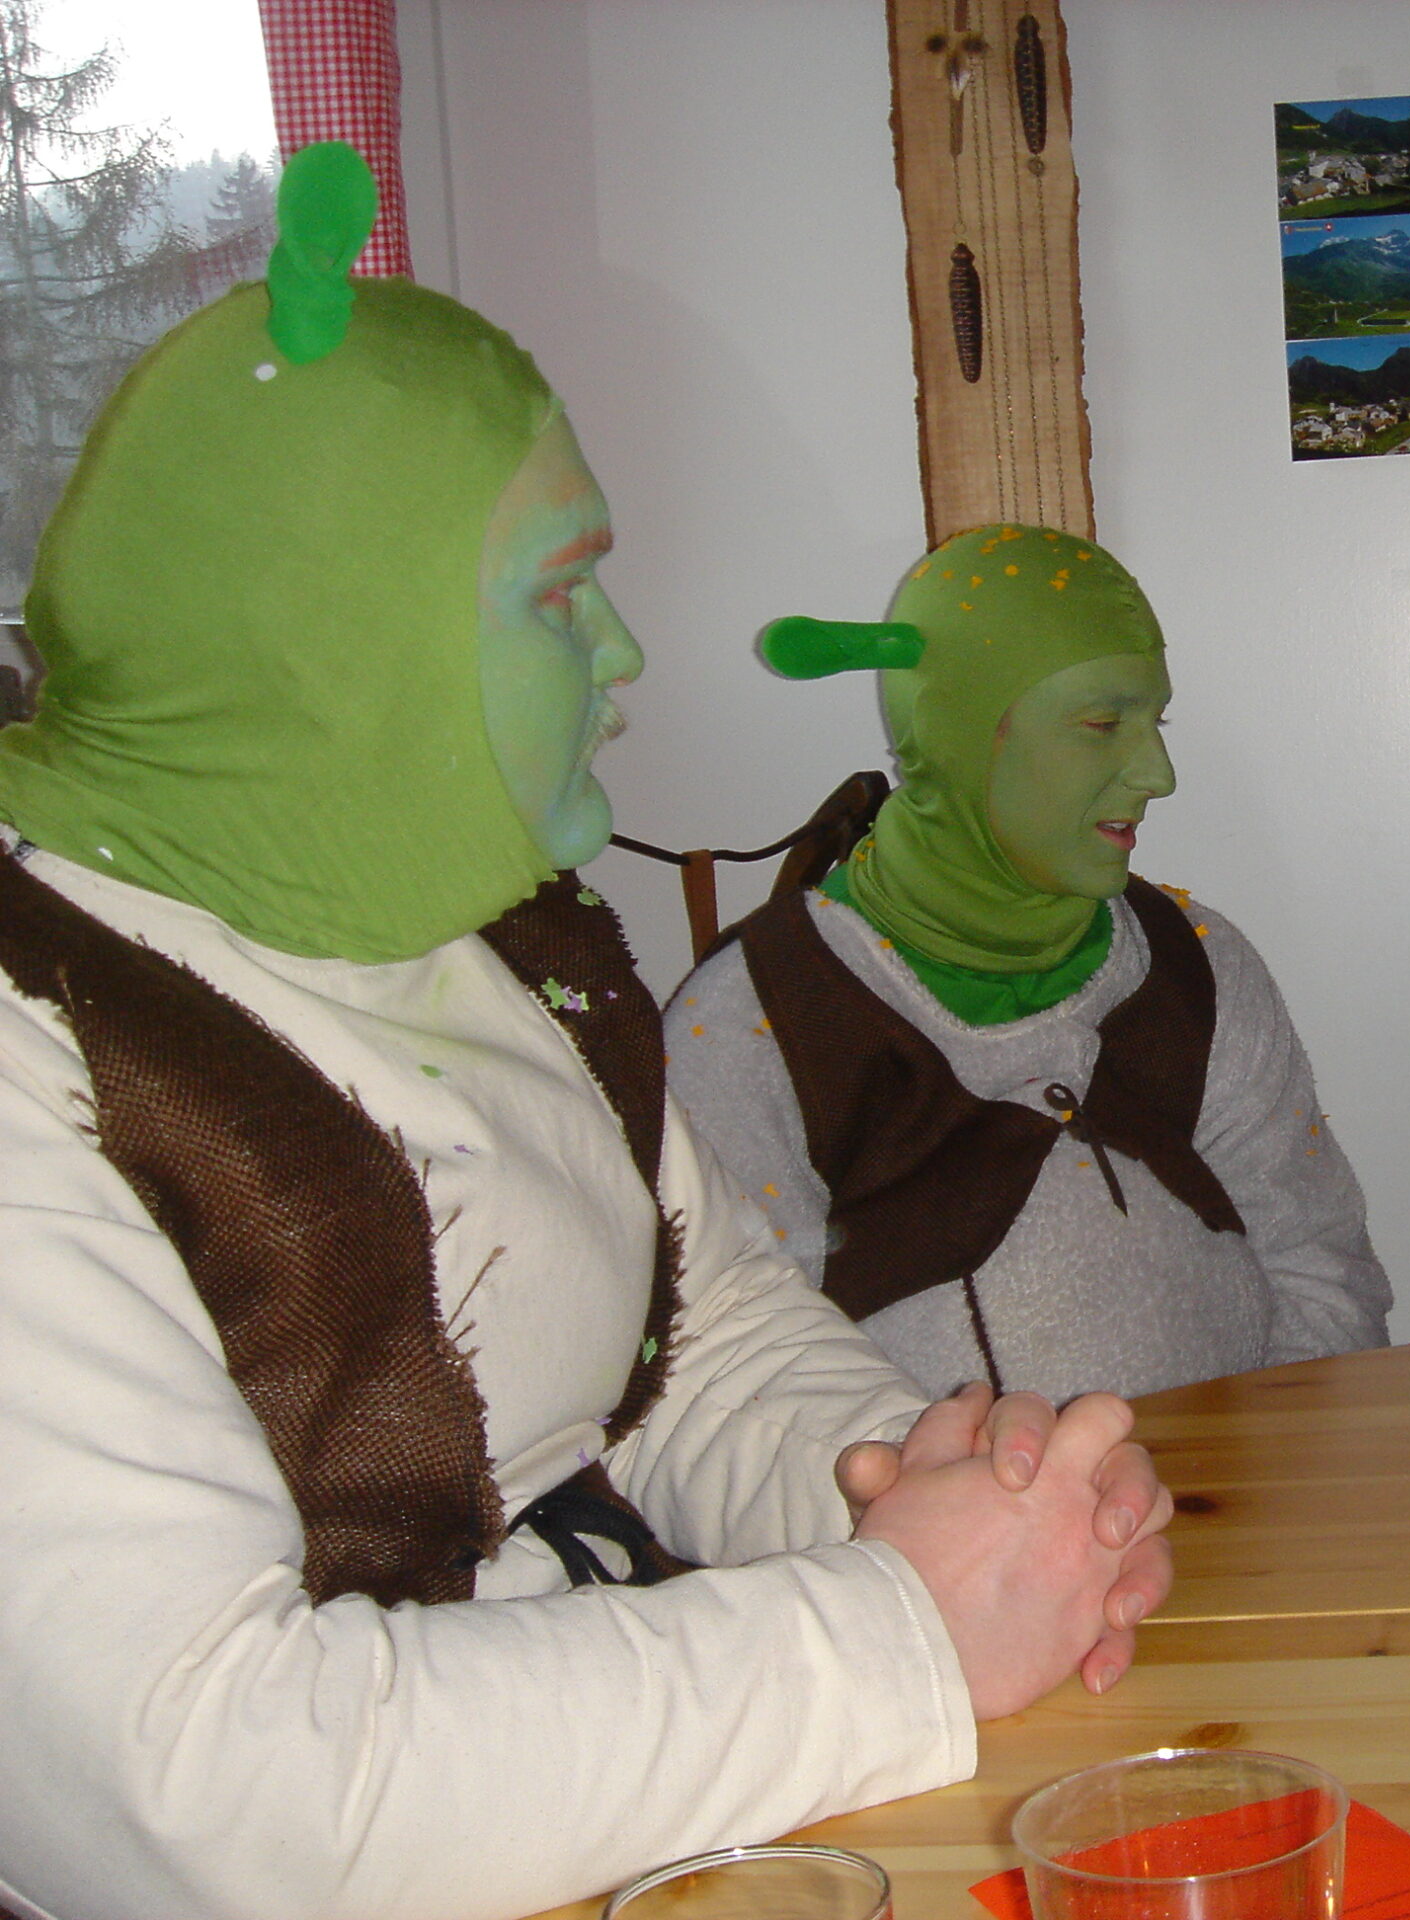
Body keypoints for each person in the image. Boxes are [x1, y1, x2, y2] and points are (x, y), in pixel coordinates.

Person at [0, 146, 1169, 1920]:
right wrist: (895, 1625)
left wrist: (942, 1488)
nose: (622, 655)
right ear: (340, 642)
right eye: (559, 595)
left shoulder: (509, 950)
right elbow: (189, 1793)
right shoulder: (36, 1061)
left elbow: (696, 1343)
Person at [665, 528, 1391, 1404]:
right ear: (963, 737)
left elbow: (1317, 1261)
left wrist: (1289, 1454)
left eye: (1156, 722)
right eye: (1102, 725)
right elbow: (733, 1373)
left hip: (1240, 1482)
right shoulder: (758, 1018)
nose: (1158, 773)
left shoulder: (1197, 966)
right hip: (923, 1496)